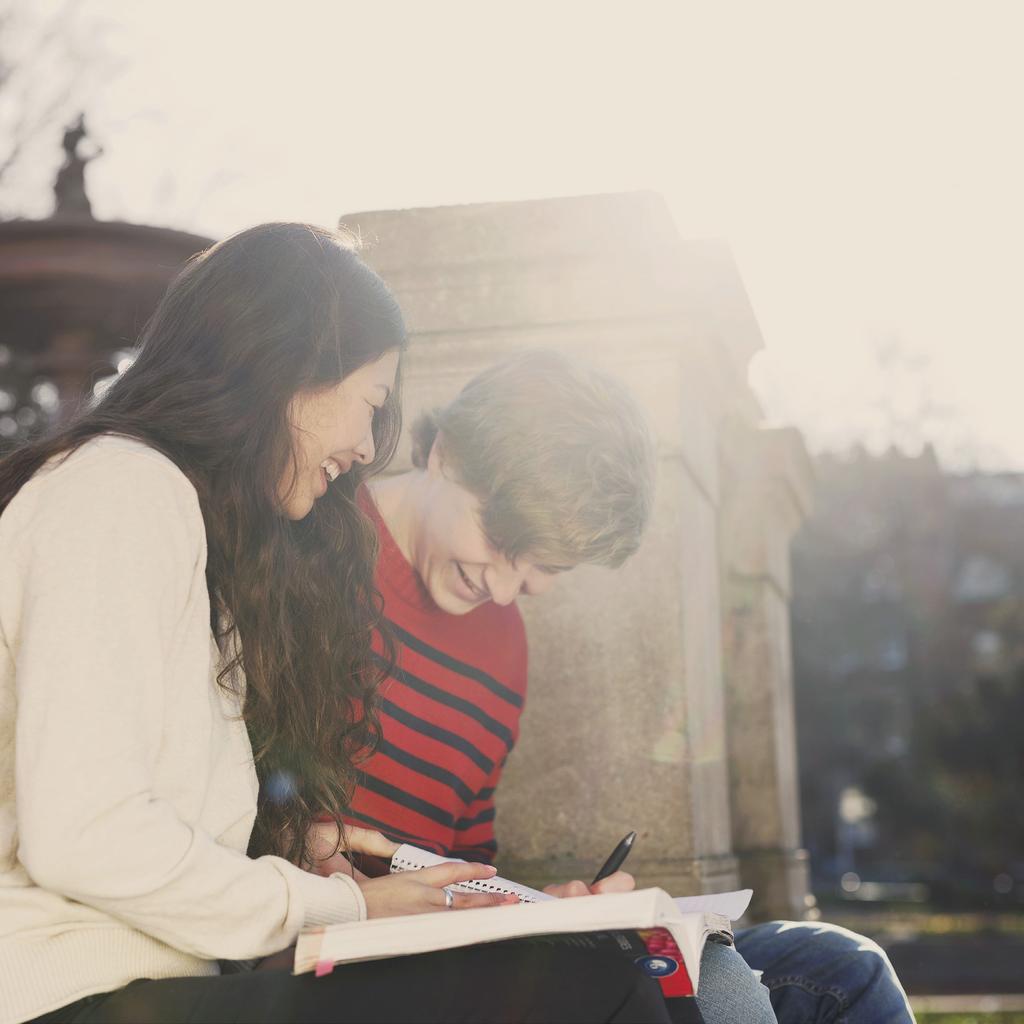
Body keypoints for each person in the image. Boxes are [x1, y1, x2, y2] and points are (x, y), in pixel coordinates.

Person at [0, 227, 670, 1024]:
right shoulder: (119, 491)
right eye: (373, 404)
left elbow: (156, 823)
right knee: (607, 994)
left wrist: (308, 860)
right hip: (70, 993)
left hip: (164, 983)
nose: (362, 447)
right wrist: (334, 906)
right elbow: (86, 834)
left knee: (710, 974)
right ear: (291, 370)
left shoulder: (186, 525)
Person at [324, 349, 916, 1024]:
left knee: (845, 970)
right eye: (497, 539)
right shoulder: (320, 558)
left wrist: (540, 909)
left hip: (455, 958)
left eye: (542, 567)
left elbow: (463, 864)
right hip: (346, 967)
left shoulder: (503, 641)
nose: (502, 586)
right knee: (720, 994)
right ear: (445, 454)